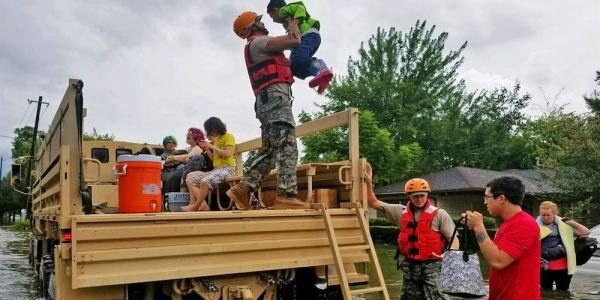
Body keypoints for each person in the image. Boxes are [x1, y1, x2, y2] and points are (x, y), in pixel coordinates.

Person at [227, 11, 309, 210]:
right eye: (258, 22)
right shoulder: (259, 43)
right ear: (250, 28)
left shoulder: (255, 45)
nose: (263, 24)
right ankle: (286, 196)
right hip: (275, 101)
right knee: (288, 146)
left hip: (266, 102)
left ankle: (243, 189)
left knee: (271, 152)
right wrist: (292, 20)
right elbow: (294, 40)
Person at [363, 163, 458, 299]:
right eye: (415, 196)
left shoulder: (440, 214)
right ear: (408, 196)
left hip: (433, 266)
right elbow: (373, 202)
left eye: (422, 195)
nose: (419, 199)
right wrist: (369, 183)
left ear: (427, 195)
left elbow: (454, 239)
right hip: (410, 267)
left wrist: (449, 254)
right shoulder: (399, 212)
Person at [465, 176, 540, 300]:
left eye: (487, 197)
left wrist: (478, 226)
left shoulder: (524, 224)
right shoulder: (508, 223)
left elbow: (498, 261)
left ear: (501, 198)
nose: (485, 202)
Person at [267, 0, 333, 94]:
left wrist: (294, 23)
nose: (273, 20)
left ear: (275, 10)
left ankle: (321, 69)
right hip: (310, 38)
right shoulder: (287, 18)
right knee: (294, 66)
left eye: (271, 16)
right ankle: (321, 77)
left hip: (308, 34)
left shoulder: (283, 11)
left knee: (297, 57)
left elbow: (300, 7)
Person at [182, 117, 236, 212]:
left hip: (228, 169)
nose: (210, 133)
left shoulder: (228, 136)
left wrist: (211, 146)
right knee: (190, 179)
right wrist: (207, 148)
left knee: (204, 181)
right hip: (217, 169)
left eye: (210, 130)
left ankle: (196, 206)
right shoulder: (217, 140)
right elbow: (213, 158)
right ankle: (201, 205)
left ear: (215, 127)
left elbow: (228, 154)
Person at [537, 200, 590, 291]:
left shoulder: (564, 226)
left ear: (554, 213)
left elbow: (586, 232)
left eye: (548, 215)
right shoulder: (535, 225)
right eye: (543, 215)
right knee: (545, 292)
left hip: (563, 266)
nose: (545, 217)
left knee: (563, 292)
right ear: (540, 213)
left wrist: (572, 222)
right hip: (542, 266)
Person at [162, 128, 206, 194]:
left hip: (191, 171)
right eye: (188, 134)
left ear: (197, 136)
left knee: (173, 178)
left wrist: (172, 157)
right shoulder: (188, 149)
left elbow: (188, 158)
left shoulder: (198, 147)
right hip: (184, 169)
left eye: (191, 134)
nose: (188, 135)